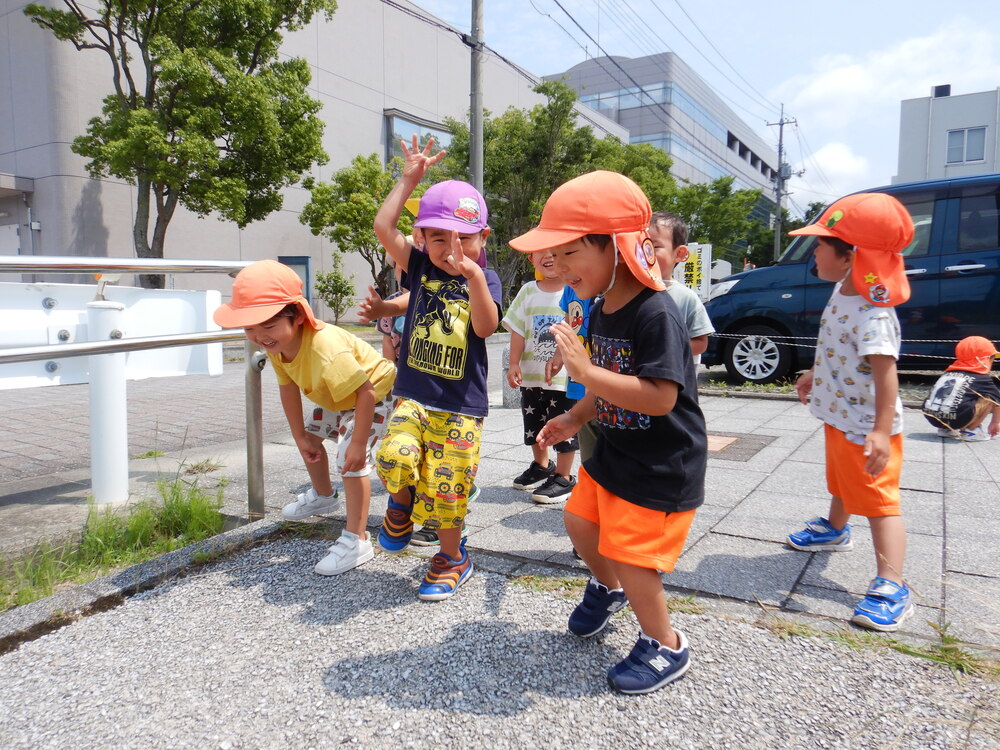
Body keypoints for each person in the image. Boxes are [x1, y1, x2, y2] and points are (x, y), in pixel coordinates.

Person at [512, 170, 707, 696]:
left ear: (618, 247)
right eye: (553, 253)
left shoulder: (656, 312)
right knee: (579, 524)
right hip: (614, 451)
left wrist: (584, 374)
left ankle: (667, 643)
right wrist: (576, 417)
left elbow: (660, 396)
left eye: (570, 252)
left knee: (632, 553)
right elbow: (605, 384)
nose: (556, 264)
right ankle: (609, 588)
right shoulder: (599, 309)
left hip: (660, 463)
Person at [372, 135, 502, 601]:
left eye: (464, 238)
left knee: (448, 493)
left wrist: (471, 277)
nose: (452, 249)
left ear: (482, 239)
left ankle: (452, 558)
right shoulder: (420, 266)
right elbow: (384, 226)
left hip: (462, 407)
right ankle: (401, 505)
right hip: (414, 395)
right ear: (423, 238)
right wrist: (409, 180)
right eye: (439, 237)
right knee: (394, 454)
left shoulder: (483, 277)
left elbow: (485, 329)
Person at [785, 192, 916, 632]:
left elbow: (885, 373)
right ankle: (836, 529)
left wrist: (881, 431)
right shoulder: (843, 289)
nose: (814, 251)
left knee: (880, 504)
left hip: (866, 425)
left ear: (851, 257)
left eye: (822, 244)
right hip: (840, 413)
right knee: (840, 479)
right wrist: (813, 374)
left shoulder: (874, 313)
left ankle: (891, 584)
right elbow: (835, 346)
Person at [213, 260, 396, 576]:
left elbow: (365, 393)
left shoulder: (325, 350)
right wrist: (299, 436)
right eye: (249, 328)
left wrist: (356, 447)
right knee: (311, 442)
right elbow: (288, 389)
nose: (259, 336)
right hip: (337, 394)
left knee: (349, 461)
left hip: (374, 394)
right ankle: (324, 496)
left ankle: (357, 539)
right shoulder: (277, 345)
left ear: (296, 316)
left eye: (267, 326)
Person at [503, 250, 579, 503]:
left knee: (564, 426)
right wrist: (513, 363)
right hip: (532, 376)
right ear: (531, 260)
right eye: (541, 253)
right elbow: (517, 329)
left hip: (565, 379)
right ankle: (542, 465)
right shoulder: (528, 291)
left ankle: (564, 477)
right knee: (534, 425)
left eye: (555, 252)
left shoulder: (575, 288)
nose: (548, 257)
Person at [648, 211, 715, 361]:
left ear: (679, 253)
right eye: (640, 246)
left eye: (654, 246)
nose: (645, 253)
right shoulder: (628, 293)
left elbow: (701, 343)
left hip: (676, 379)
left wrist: (660, 348)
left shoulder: (685, 297)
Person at [922, 336, 1000, 441]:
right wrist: (995, 423)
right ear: (984, 359)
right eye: (992, 358)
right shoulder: (981, 378)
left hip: (933, 418)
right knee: (990, 396)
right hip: (958, 419)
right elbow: (998, 401)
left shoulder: (948, 373)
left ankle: (945, 430)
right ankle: (971, 431)